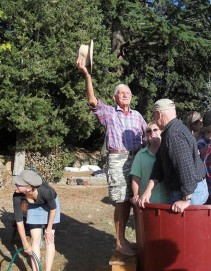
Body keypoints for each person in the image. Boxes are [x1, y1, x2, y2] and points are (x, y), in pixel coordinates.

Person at [77, 56, 146, 255]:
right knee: (121, 201)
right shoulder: (108, 113)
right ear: (115, 97)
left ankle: (126, 239)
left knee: (136, 199)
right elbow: (92, 101)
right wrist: (87, 76)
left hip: (137, 159)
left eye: (128, 92)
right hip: (118, 160)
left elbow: (148, 134)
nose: (125, 94)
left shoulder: (138, 115)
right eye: (121, 92)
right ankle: (119, 241)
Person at [138, 99, 209, 213]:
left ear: (159, 114)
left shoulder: (173, 135)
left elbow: (185, 167)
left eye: (154, 115)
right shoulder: (171, 131)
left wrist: (187, 199)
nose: (154, 119)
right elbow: (159, 164)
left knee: (186, 230)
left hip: (190, 193)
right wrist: (148, 191)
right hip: (189, 190)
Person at [13, 170, 61, 271]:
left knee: (49, 240)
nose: (15, 186)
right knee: (35, 240)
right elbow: (19, 221)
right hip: (31, 204)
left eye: (18, 184)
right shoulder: (18, 195)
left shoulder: (46, 191)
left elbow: (53, 209)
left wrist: (48, 229)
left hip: (50, 206)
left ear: (29, 188)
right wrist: (25, 243)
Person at [130, 122, 169, 204]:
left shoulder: (169, 151)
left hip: (168, 200)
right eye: (148, 131)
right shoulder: (140, 155)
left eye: (155, 129)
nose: (152, 132)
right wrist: (136, 195)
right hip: (147, 202)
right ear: (146, 135)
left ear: (161, 131)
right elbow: (136, 177)